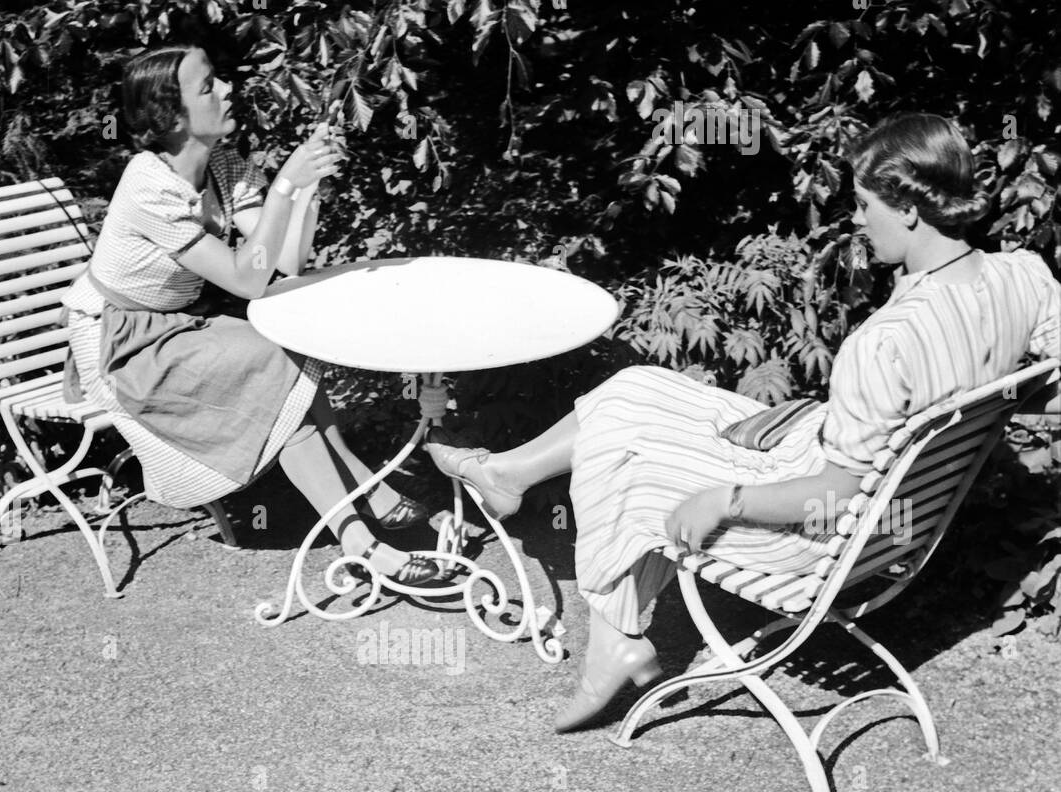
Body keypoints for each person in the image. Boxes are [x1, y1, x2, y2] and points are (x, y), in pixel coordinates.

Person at [426, 113, 1061, 730]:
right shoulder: (1022, 276)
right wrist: (993, 398)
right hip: (883, 506)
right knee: (634, 387)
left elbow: (835, 497)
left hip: (821, 536)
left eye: (865, 204)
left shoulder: (886, 342)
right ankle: (509, 475)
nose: (857, 219)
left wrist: (724, 500)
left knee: (625, 446)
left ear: (909, 208)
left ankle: (614, 635)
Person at [62, 43, 440, 586]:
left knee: (287, 347)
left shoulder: (221, 163)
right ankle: (361, 531)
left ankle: (362, 512)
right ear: (171, 116)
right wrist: (284, 183)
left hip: (176, 325)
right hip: (120, 343)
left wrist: (306, 189)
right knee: (269, 361)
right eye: (209, 85)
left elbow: (280, 263)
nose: (228, 89)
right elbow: (245, 277)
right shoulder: (150, 186)